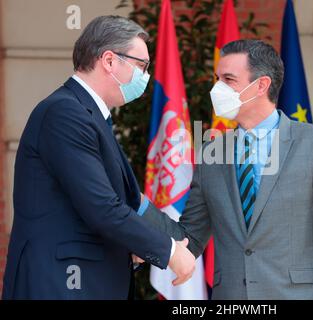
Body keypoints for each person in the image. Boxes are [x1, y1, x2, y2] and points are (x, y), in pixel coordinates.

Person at [143, 39, 313, 299]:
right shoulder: (211, 152)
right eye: (217, 78)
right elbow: (189, 236)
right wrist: (137, 208)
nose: (217, 88)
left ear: (261, 85)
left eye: (228, 79)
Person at [2, 15, 195, 300]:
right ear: (108, 61)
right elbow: (102, 207)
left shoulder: (89, 115)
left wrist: (170, 239)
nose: (145, 76)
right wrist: (168, 251)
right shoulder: (66, 113)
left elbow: (125, 199)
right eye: (141, 65)